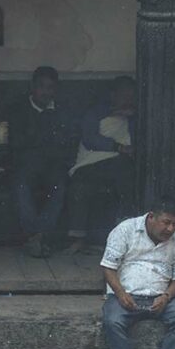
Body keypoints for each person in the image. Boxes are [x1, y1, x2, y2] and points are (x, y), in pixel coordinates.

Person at [100, 200, 175, 349]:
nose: (170, 229)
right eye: (166, 222)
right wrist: (120, 293)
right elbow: (108, 267)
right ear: (151, 217)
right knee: (112, 320)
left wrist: (166, 297)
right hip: (126, 295)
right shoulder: (125, 230)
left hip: (161, 297)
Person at [7, 65, 73, 258]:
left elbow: (65, 142)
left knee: (59, 187)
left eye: (50, 88)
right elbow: (16, 144)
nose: (46, 92)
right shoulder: (18, 111)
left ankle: (38, 236)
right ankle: (36, 236)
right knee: (20, 186)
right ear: (33, 87)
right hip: (25, 165)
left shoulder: (61, 112)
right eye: (42, 87)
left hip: (53, 165)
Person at [65, 77, 136, 253]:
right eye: (123, 95)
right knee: (80, 186)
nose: (127, 99)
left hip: (118, 165)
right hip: (90, 163)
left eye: (131, 96)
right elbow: (90, 138)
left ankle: (121, 237)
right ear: (113, 95)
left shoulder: (134, 116)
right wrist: (118, 146)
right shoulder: (96, 112)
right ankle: (78, 239)